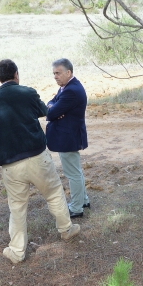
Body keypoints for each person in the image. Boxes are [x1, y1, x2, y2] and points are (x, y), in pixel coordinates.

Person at [0, 59, 81, 264]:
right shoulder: (28, 93)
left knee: (17, 207)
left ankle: (16, 251)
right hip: (37, 156)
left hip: (11, 164)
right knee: (53, 193)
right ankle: (67, 229)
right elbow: (44, 110)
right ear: (16, 74)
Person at [46, 58, 90, 218]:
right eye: (54, 74)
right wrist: (54, 107)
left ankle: (77, 208)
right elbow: (51, 104)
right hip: (69, 136)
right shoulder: (67, 87)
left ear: (68, 72)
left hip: (68, 137)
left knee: (73, 173)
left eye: (58, 73)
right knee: (76, 171)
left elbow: (50, 113)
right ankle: (83, 200)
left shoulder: (71, 90)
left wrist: (53, 109)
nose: (55, 77)